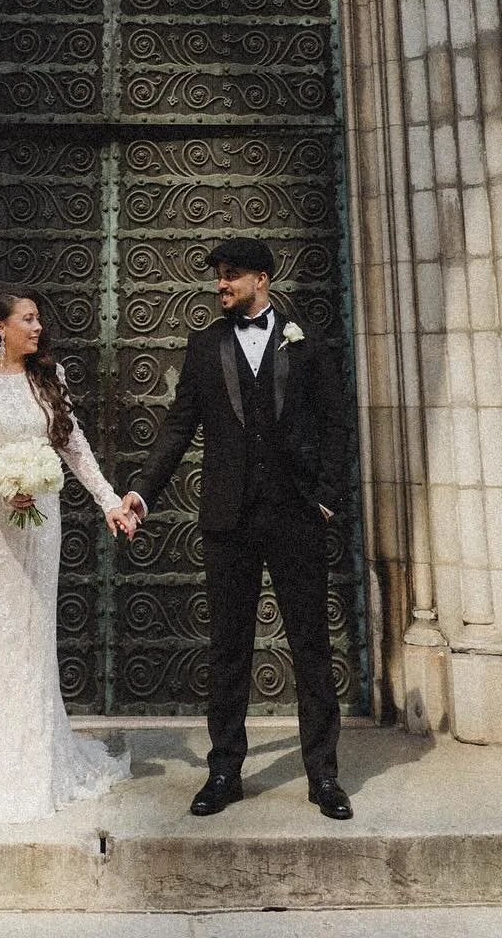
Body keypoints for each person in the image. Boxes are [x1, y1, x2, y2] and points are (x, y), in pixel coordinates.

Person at [121, 237, 353, 820]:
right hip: (228, 518)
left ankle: (323, 775)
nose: (221, 285)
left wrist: (326, 499)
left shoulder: (305, 342)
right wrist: (142, 492)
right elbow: (177, 429)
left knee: (311, 648)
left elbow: (335, 423)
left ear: (262, 279)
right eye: (219, 276)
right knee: (228, 649)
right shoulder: (205, 346)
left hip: (295, 515)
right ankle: (225, 769)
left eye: (231, 276)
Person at [0, 286, 135, 821]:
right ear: (0, 326)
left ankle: (33, 767)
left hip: (39, 521)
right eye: (27, 319)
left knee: (30, 635)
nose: (38, 327)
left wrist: (109, 502)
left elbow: (72, 446)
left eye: (39, 319)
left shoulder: (50, 378)